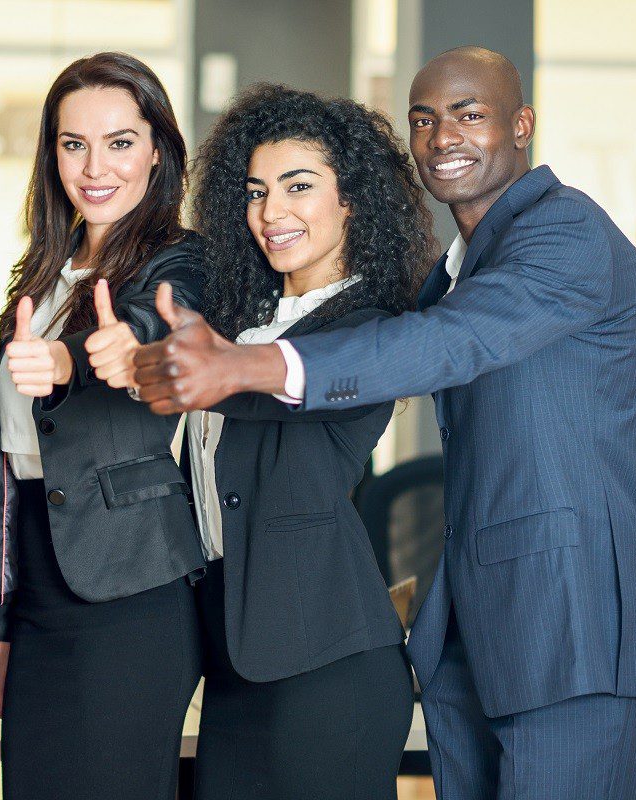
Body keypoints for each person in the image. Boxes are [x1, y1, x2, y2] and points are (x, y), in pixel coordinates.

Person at [135, 47, 636, 800]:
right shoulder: (458, 267)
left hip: (567, 624)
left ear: (522, 126)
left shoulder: (566, 235)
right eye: (425, 119)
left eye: (469, 115)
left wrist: (245, 367)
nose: (443, 136)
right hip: (469, 630)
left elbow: (450, 342)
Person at [160, 83, 426, 799]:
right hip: (239, 661)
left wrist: (212, 367)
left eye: (298, 187)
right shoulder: (244, 325)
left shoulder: (367, 330)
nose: (271, 212)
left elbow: (277, 394)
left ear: (351, 200)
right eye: (255, 191)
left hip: (328, 665)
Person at [0, 52, 205, 800]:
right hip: (40, 592)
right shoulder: (43, 274)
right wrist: (5, 619)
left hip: (129, 593)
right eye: (74, 143)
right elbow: (12, 471)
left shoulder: (182, 259)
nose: (94, 166)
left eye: (119, 142)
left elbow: (146, 330)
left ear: (158, 151)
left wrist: (88, 357)